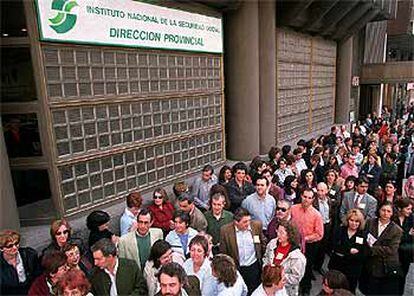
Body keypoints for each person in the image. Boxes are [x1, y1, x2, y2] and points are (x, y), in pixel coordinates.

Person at [219, 207, 265, 294]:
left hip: (254, 267)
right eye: (245, 222)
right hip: (236, 269)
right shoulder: (225, 231)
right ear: (236, 222)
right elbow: (223, 252)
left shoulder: (256, 225)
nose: (248, 224)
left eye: (249, 220)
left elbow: (262, 242)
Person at [361, 201, 403, 296]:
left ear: (392, 213)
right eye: (383, 210)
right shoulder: (370, 222)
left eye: (388, 211)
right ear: (379, 210)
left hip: (384, 266)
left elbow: (392, 250)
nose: (385, 213)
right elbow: (364, 237)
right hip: (369, 264)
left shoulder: (397, 230)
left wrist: (372, 249)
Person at [290, 188, 323, 295]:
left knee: (307, 267)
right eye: (305, 197)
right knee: (293, 265)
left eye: (309, 198)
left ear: (313, 199)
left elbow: (319, 234)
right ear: (301, 196)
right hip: (294, 243)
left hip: (309, 246)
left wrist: (305, 238)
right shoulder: (293, 209)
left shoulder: (316, 214)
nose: (306, 200)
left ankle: (306, 288)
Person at [263, 221, 306, 296]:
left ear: (289, 235)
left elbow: (296, 278)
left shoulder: (297, 257)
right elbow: (266, 257)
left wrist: (276, 277)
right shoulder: (272, 243)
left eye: (281, 233)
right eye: (277, 231)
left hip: (286, 290)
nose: (278, 234)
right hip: (269, 288)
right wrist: (266, 270)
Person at [328, 209, 367, 292]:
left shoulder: (363, 234)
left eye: (357, 221)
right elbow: (333, 246)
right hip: (337, 267)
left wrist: (343, 251)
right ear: (347, 220)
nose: (354, 223)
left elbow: (363, 253)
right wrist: (349, 251)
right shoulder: (340, 230)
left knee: (349, 291)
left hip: (352, 270)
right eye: (351, 220)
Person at [0, 230, 42, 295]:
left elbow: (38, 277)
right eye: (10, 246)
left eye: (16, 243)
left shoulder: (30, 255)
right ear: (1, 248)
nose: (14, 247)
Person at [313, 182, 337, 273]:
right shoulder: (314, 201)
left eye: (322, 190)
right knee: (315, 247)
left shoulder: (330, 201)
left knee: (323, 247)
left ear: (327, 191)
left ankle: (319, 266)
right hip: (316, 227)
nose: (320, 193)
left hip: (326, 226)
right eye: (318, 190)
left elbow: (331, 213)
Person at [393, 198, 414, 292]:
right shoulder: (393, 218)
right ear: (400, 208)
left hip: (405, 255)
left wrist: (406, 236)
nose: (410, 211)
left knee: (402, 278)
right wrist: (407, 235)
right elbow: (393, 237)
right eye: (408, 209)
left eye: (411, 209)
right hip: (393, 254)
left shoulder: (412, 219)